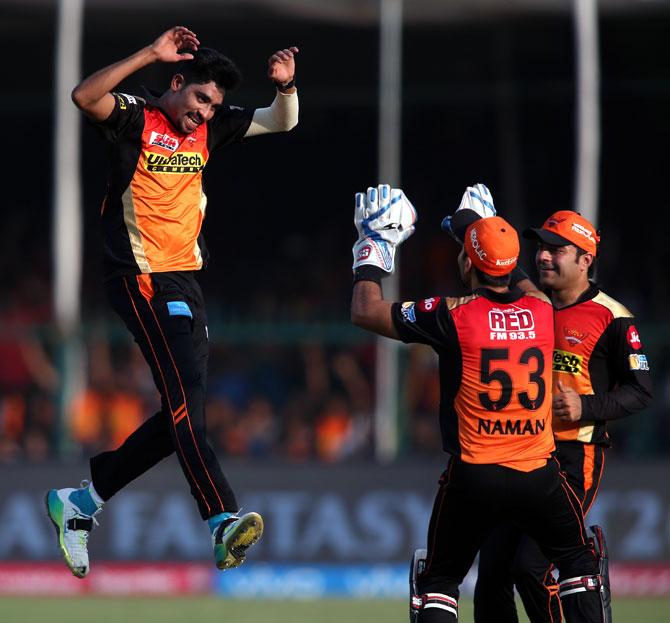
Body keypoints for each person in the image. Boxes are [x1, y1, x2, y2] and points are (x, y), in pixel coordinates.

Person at [45, 26, 299, 578]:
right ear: (177, 82)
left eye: (215, 105)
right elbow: (84, 97)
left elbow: (282, 121)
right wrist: (149, 54)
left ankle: (81, 505)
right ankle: (221, 518)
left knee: (181, 416)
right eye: (200, 98)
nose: (206, 113)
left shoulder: (212, 129)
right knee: (188, 407)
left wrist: (284, 89)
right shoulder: (136, 117)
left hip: (186, 284)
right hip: (139, 278)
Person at [350, 184, 606, 623]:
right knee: (579, 566)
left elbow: (365, 310)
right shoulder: (544, 310)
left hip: (474, 476)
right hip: (538, 475)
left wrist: (372, 248)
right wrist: (480, 229)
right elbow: (521, 283)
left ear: (467, 261)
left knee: (440, 583)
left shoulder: (453, 314)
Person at [473, 210, 653, 622]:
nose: (543, 257)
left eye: (557, 250)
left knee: (530, 567)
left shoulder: (613, 318)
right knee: (493, 573)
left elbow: (641, 392)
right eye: (541, 248)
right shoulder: (529, 307)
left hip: (575, 456)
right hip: (520, 453)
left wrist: (585, 407)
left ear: (586, 259)